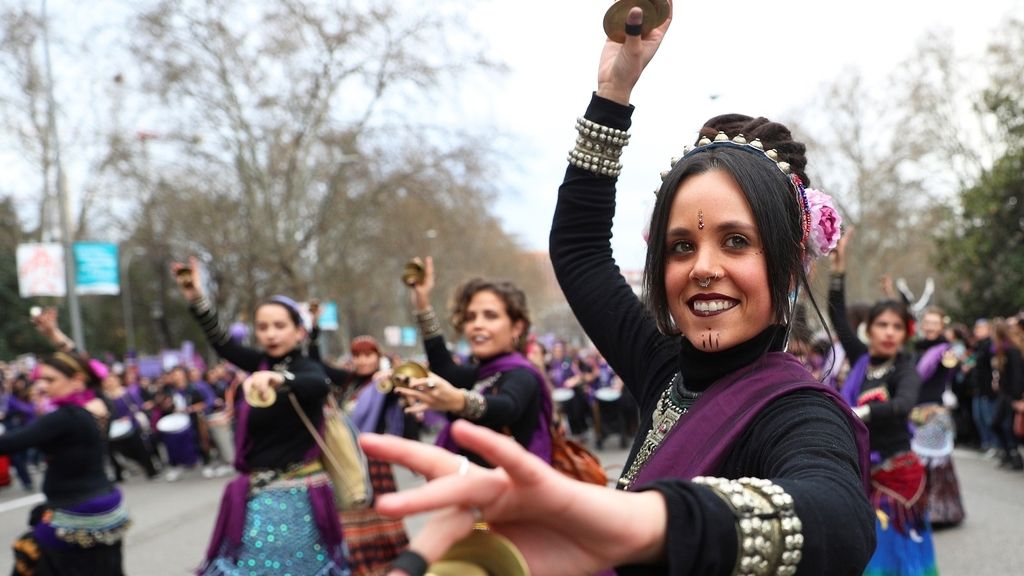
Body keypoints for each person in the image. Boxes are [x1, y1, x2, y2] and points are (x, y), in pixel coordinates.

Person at [362, 5, 874, 575]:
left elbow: (841, 517)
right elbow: (579, 251)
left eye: (735, 242)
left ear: (784, 267)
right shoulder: (663, 368)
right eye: (681, 246)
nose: (702, 267)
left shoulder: (798, 413)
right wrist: (613, 92)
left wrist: (632, 520)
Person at [170, 257, 348, 575]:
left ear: (299, 332)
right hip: (260, 492)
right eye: (263, 327)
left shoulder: (305, 368)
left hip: (297, 494)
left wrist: (282, 381)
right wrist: (196, 298)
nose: (270, 334)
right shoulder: (260, 365)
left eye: (280, 326)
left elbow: (318, 384)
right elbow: (222, 343)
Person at [829, 234, 938, 573]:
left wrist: (860, 412)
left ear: (904, 334)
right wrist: (838, 270)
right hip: (863, 475)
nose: (889, 332)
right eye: (882, 325)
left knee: (893, 560)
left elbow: (904, 404)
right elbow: (838, 320)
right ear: (869, 330)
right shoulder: (863, 360)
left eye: (896, 327)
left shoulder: (904, 368)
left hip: (898, 479)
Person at [400, 259, 553, 467]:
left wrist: (459, 401)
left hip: (510, 496)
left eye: (490, 316)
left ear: (517, 327)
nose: (477, 325)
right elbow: (444, 368)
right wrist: (423, 304)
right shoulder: (482, 374)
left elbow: (508, 406)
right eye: (471, 317)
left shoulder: (523, 374)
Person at [0, 352, 131, 575]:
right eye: (40, 379)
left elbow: (8, 444)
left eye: (50, 380)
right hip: (107, 509)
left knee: (31, 561)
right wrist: (55, 335)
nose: (41, 386)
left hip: (77, 511)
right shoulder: (97, 406)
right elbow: (91, 371)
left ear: (77, 381)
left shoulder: (64, 417)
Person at [309, 327, 410, 576]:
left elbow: (403, 387)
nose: (363, 360)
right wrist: (312, 330)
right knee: (350, 511)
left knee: (379, 514)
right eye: (358, 355)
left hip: (374, 459)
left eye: (368, 355)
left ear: (378, 356)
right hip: (348, 457)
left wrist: (391, 375)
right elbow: (315, 364)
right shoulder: (348, 381)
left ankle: (391, 567)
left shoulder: (384, 383)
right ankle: (360, 567)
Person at [911, 308, 966, 526]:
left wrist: (951, 358)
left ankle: (939, 513)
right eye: (928, 322)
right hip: (914, 413)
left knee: (936, 466)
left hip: (935, 414)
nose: (931, 326)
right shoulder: (916, 350)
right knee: (917, 463)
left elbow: (952, 364)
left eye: (935, 323)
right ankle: (918, 509)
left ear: (942, 327)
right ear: (923, 325)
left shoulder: (945, 351)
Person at [989, 318, 1023, 470]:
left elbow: (1017, 376)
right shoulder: (1002, 350)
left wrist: (1017, 398)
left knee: (1009, 427)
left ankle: (1015, 457)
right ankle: (1008, 453)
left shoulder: (1013, 350)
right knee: (996, 424)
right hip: (1004, 393)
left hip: (1011, 394)